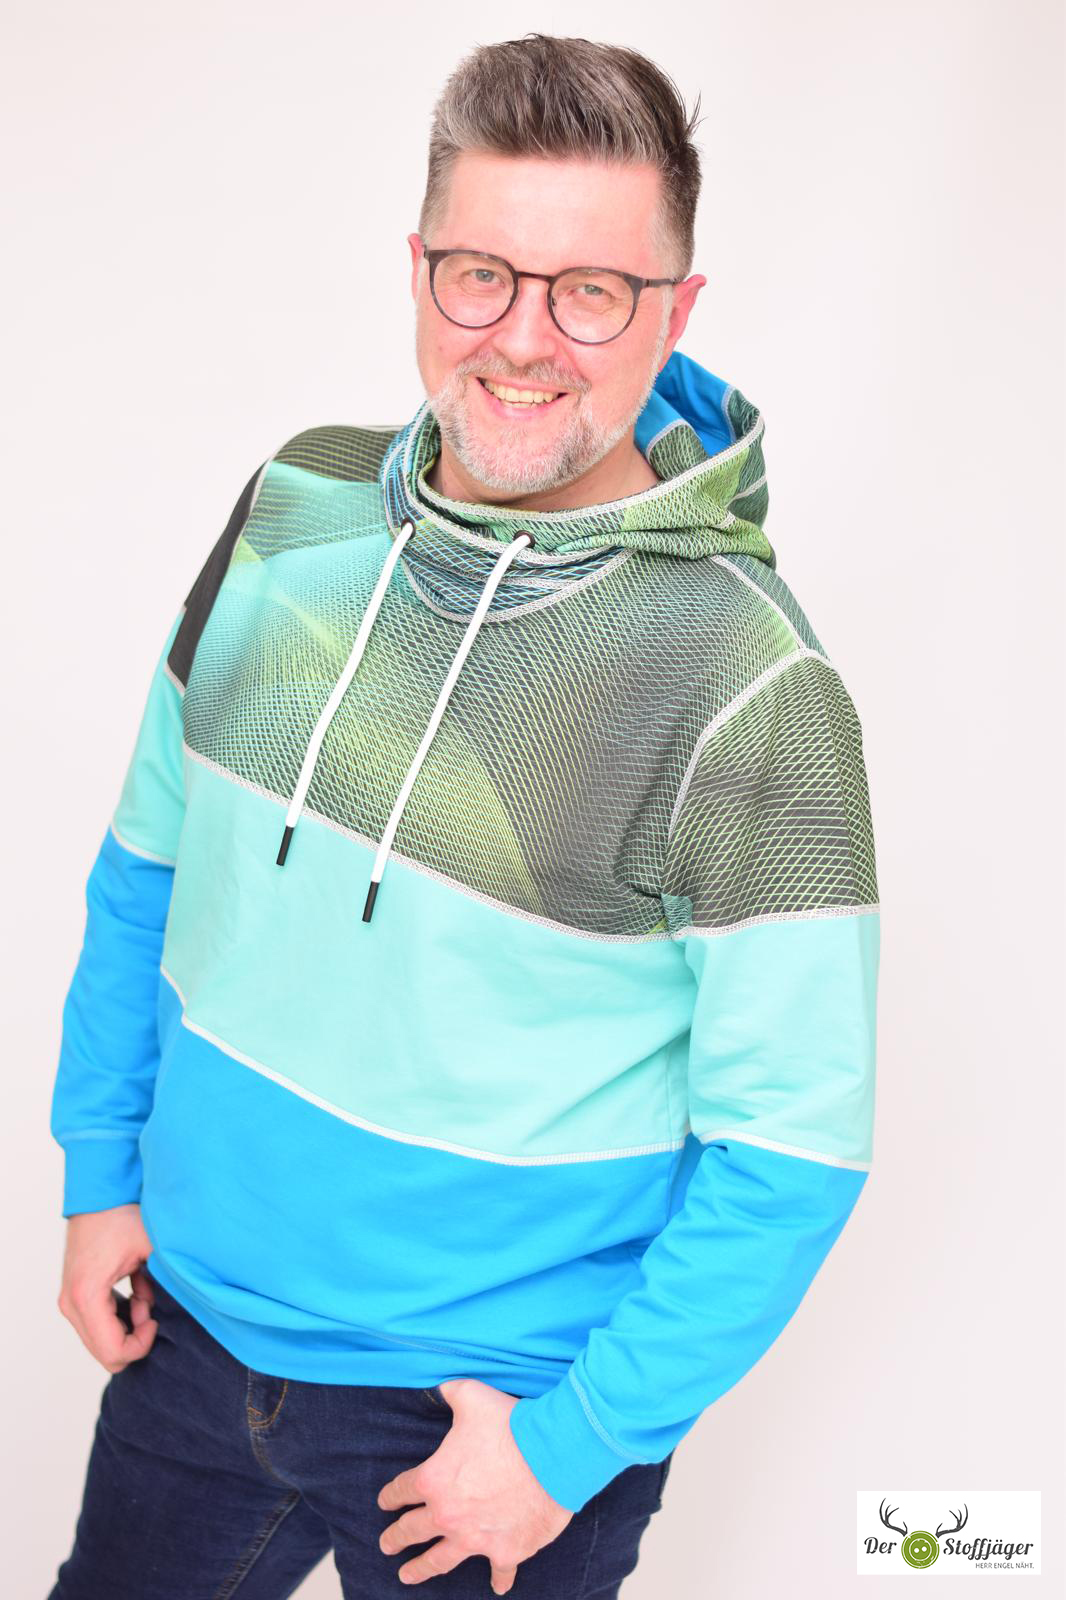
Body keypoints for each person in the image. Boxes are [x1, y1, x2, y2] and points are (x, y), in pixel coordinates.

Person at [48, 31, 881, 1600]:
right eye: (482, 275)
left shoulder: (750, 683)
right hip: (190, 1338)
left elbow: (793, 1149)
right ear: (419, 269)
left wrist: (569, 1446)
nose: (523, 339)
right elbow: (146, 866)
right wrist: (99, 1172)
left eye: (593, 291)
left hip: (482, 1424)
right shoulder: (291, 508)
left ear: (675, 310)